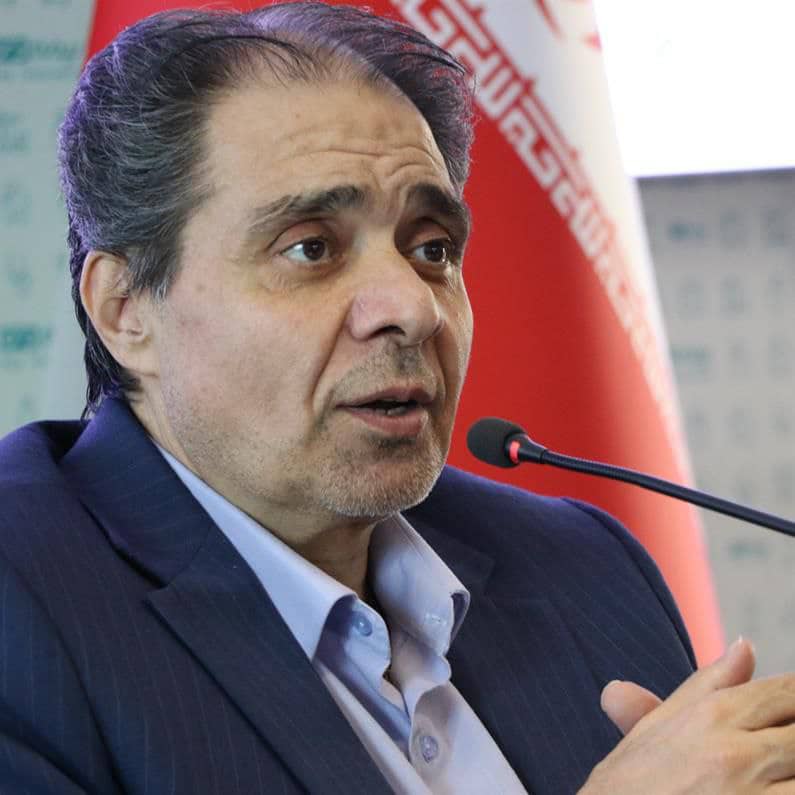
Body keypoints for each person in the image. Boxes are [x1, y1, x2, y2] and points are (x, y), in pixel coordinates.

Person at [0, 3, 792, 794]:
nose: (413, 307)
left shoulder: (586, 566)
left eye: (431, 248)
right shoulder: (22, 609)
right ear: (125, 310)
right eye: (311, 248)